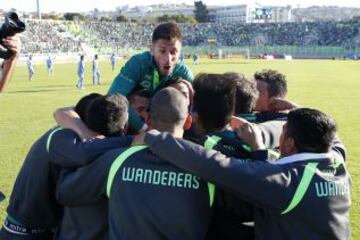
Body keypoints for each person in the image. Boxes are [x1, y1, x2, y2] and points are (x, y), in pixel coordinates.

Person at [140, 108, 351, 240]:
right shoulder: (337, 165)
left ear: (289, 143)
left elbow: (216, 166)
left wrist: (157, 138)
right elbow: (336, 140)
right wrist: (259, 150)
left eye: (283, 131)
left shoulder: (287, 184)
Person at [55, 88, 213, 240]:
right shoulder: (205, 165)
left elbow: (66, 192)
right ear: (188, 122)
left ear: (149, 120)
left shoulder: (119, 159)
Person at [0, 93, 131, 240]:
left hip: (40, 230)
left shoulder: (73, 136)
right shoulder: (60, 136)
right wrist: (135, 140)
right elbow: (82, 153)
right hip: (22, 233)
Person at [108, 22, 193, 132]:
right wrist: (143, 128)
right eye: (162, 51)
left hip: (170, 128)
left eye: (173, 52)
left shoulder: (183, 72)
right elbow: (113, 98)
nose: (168, 58)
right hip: (135, 129)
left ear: (180, 52)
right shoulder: (138, 64)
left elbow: (198, 106)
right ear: (152, 49)